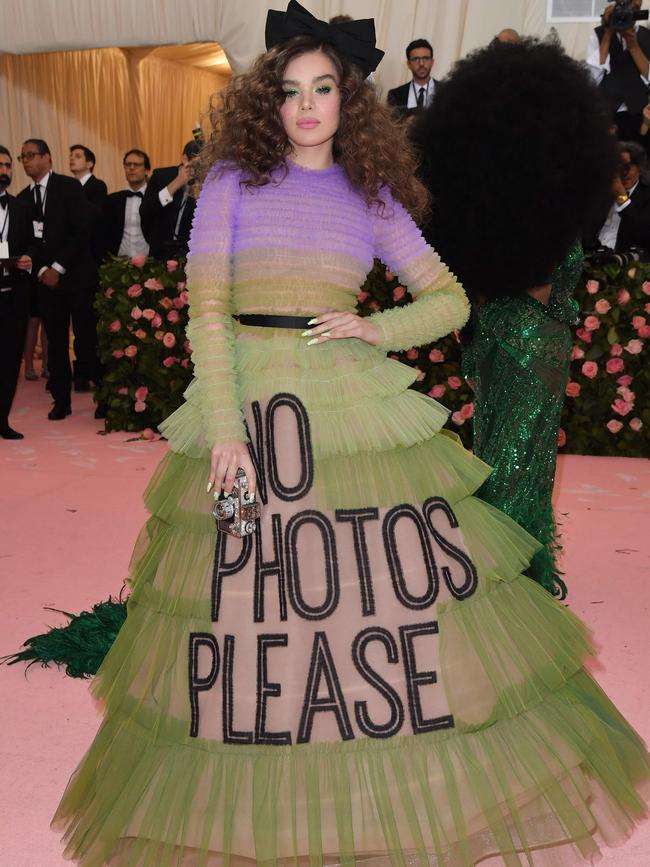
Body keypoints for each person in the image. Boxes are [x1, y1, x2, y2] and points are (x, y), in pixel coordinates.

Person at [50, 5, 650, 865]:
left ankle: (373, 769)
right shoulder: (229, 182)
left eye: (323, 89)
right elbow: (207, 312)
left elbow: (446, 299)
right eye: (290, 91)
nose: (306, 107)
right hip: (250, 403)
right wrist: (225, 431)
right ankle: (267, 761)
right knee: (250, 597)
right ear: (268, 101)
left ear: (349, 98)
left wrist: (376, 329)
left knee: (367, 597)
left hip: (349, 406)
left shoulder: (370, 195)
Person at [416, 40, 619, 599]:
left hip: (498, 340)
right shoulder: (536, 218)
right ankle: (512, 575)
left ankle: (499, 563)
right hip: (528, 349)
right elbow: (543, 282)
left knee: (501, 452)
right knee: (518, 460)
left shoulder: (496, 212)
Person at [17, 139, 95, 420]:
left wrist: (57, 267)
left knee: (87, 339)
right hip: (46, 284)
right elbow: (27, 242)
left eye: (32, 155)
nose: (27, 161)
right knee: (56, 343)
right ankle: (61, 400)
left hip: (77, 277)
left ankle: (105, 397)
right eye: (22, 157)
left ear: (47, 157)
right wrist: (40, 270)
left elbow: (82, 229)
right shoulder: (23, 199)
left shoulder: (68, 187)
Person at [68, 144, 107, 397]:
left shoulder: (97, 187)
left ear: (90, 163)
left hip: (90, 263)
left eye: (78, 156)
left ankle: (91, 371)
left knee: (89, 323)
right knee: (77, 323)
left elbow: (93, 219)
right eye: (70, 156)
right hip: (69, 265)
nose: (72, 159)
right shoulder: (69, 188)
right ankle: (80, 370)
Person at [0, 146, 33, 439]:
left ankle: (2, 420)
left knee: (10, 361)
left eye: (8, 166)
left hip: (14, 297)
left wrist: (30, 259)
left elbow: (33, 244)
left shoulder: (21, 206)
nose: (4, 171)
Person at [587, 0, 650, 141]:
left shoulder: (646, 36)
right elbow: (592, 78)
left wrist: (633, 45)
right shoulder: (598, 34)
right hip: (607, 114)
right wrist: (608, 32)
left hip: (639, 115)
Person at [140, 141, 199, 261]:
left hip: (190, 256)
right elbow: (146, 210)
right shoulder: (161, 175)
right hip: (159, 252)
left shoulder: (207, 182)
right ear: (185, 159)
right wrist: (176, 183)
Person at [591, 140, 650, 254]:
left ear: (639, 167)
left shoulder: (647, 194)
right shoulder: (601, 190)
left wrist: (622, 199)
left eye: (628, 167)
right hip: (592, 257)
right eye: (618, 166)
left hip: (626, 262)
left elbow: (644, 235)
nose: (624, 173)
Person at [103, 149, 150, 258]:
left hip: (151, 265)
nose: (131, 168)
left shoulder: (155, 199)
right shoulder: (111, 201)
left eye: (137, 164)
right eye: (128, 164)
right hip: (118, 265)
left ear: (146, 170)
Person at [387, 39, 437, 118]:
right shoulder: (395, 95)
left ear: (432, 61)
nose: (421, 64)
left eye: (425, 58)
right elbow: (392, 125)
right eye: (416, 59)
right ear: (408, 64)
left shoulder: (446, 91)